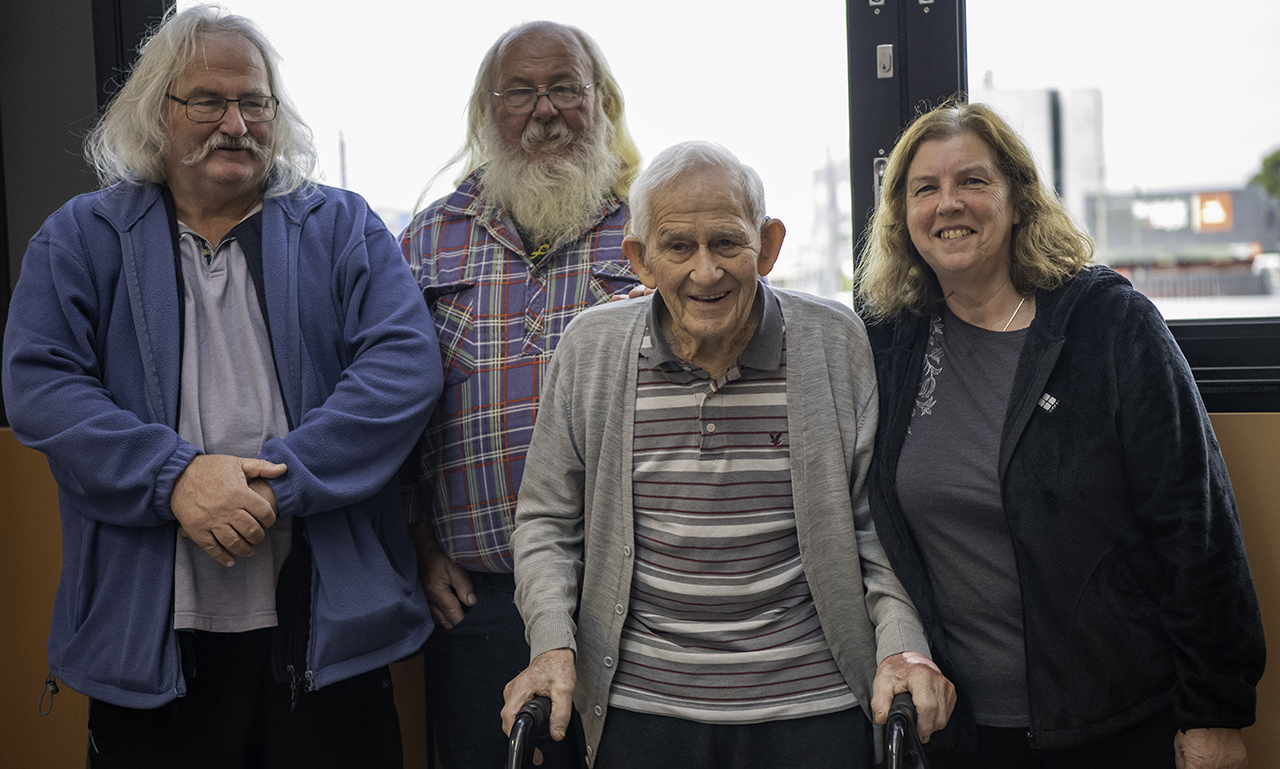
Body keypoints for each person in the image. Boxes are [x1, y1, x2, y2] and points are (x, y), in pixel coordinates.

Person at [2, 4, 442, 768]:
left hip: (325, 633)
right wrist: (174, 478)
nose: (235, 122)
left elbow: (403, 369)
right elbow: (42, 384)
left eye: (255, 103)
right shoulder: (81, 236)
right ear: (156, 115)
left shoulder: (344, 228)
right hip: (150, 644)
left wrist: (281, 485)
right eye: (207, 100)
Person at [500, 140, 956, 769]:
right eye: (678, 247)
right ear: (640, 259)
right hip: (640, 710)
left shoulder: (833, 342)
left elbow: (878, 530)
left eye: (727, 243)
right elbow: (547, 524)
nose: (705, 271)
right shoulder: (591, 350)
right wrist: (551, 644)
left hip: (815, 705)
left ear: (767, 246)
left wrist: (903, 649)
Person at [852, 100, 1265, 769]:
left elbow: (1198, 526)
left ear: (1018, 198)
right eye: (925, 188)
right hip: (960, 730)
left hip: (1112, 721)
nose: (948, 203)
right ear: (903, 216)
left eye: (973, 182)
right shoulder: (891, 341)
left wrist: (1213, 715)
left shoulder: (1110, 325)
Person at [400, 20, 643, 767]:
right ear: (487, 112)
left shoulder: (653, 226)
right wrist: (419, 540)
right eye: (521, 93)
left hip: (631, 598)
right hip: (478, 600)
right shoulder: (428, 241)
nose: (545, 111)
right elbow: (392, 413)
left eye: (566, 88)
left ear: (601, 103)